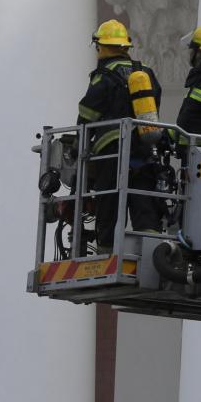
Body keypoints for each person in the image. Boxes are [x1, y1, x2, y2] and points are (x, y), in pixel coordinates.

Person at [75, 19, 166, 250]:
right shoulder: (145, 72)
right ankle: (151, 251)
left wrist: (78, 142)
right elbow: (153, 104)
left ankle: (105, 253)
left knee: (109, 202)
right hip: (144, 148)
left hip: (112, 151)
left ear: (102, 47)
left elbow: (88, 113)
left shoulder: (103, 76)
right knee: (143, 200)